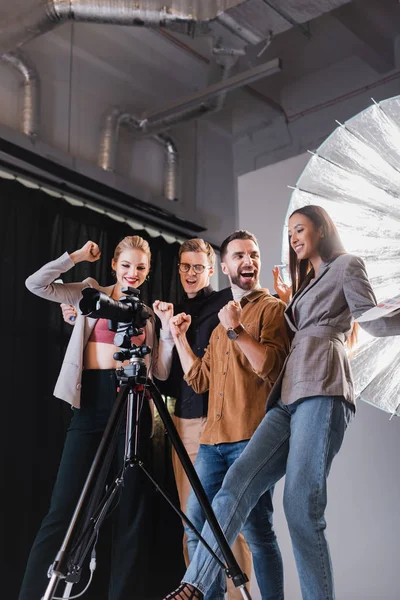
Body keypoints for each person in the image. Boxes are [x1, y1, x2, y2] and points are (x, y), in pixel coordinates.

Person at [162, 205, 400, 600]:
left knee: (300, 508)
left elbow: (370, 320)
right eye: (289, 231)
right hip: (287, 397)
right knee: (234, 487)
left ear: (322, 229)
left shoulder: (346, 265)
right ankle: (195, 585)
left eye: (300, 228)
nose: (292, 237)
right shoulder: (302, 284)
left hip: (322, 387)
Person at [20, 236, 174, 600]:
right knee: (63, 510)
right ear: (113, 266)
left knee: (130, 518)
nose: (131, 273)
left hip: (133, 410)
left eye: (139, 267)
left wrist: (167, 332)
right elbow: (35, 284)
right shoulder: (89, 293)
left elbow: (163, 373)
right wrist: (75, 257)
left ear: (148, 271)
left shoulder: (149, 316)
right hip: (90, 405)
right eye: (125, 265)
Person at [168, 230, 290, 600]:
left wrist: (237, 328)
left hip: (250, 440)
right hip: (211, 442)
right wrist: (179, 339)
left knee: (258, 534)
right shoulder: (223, 320)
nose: (247, 261)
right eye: (238, 255)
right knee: (195, 525)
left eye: (252, 254)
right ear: (225, 266)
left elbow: (269, 366)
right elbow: (200, 380)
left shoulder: (271, 309)